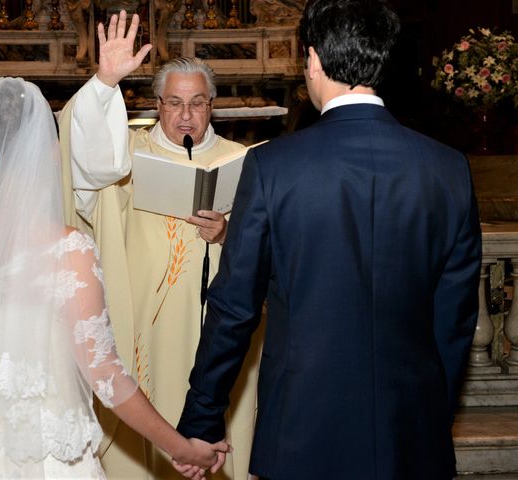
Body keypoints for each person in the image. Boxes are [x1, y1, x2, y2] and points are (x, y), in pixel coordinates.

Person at [176, 0, 482, 479]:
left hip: (301, 431)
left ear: (314, 60)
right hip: (412, 437)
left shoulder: (273, 166)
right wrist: (427, 418)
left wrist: (202, 418)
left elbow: (234, 307)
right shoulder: (448, 169)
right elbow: (456, 319)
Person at [0, 77, 228, 479]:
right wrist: (182, 447)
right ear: (50, 150)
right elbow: (106, 377)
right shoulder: (67, 250)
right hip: (47, 452)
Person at [58, 10, 264, 479]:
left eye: (197, 103)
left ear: (213, 105)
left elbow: (278, 254)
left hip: (224, 332)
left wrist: (229, 235)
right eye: (173, 103)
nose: (186, 115)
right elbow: (83, 159)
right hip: (145, 331)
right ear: (156, 104)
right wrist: (105, 83)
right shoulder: (123, 157)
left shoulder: (246, 161)